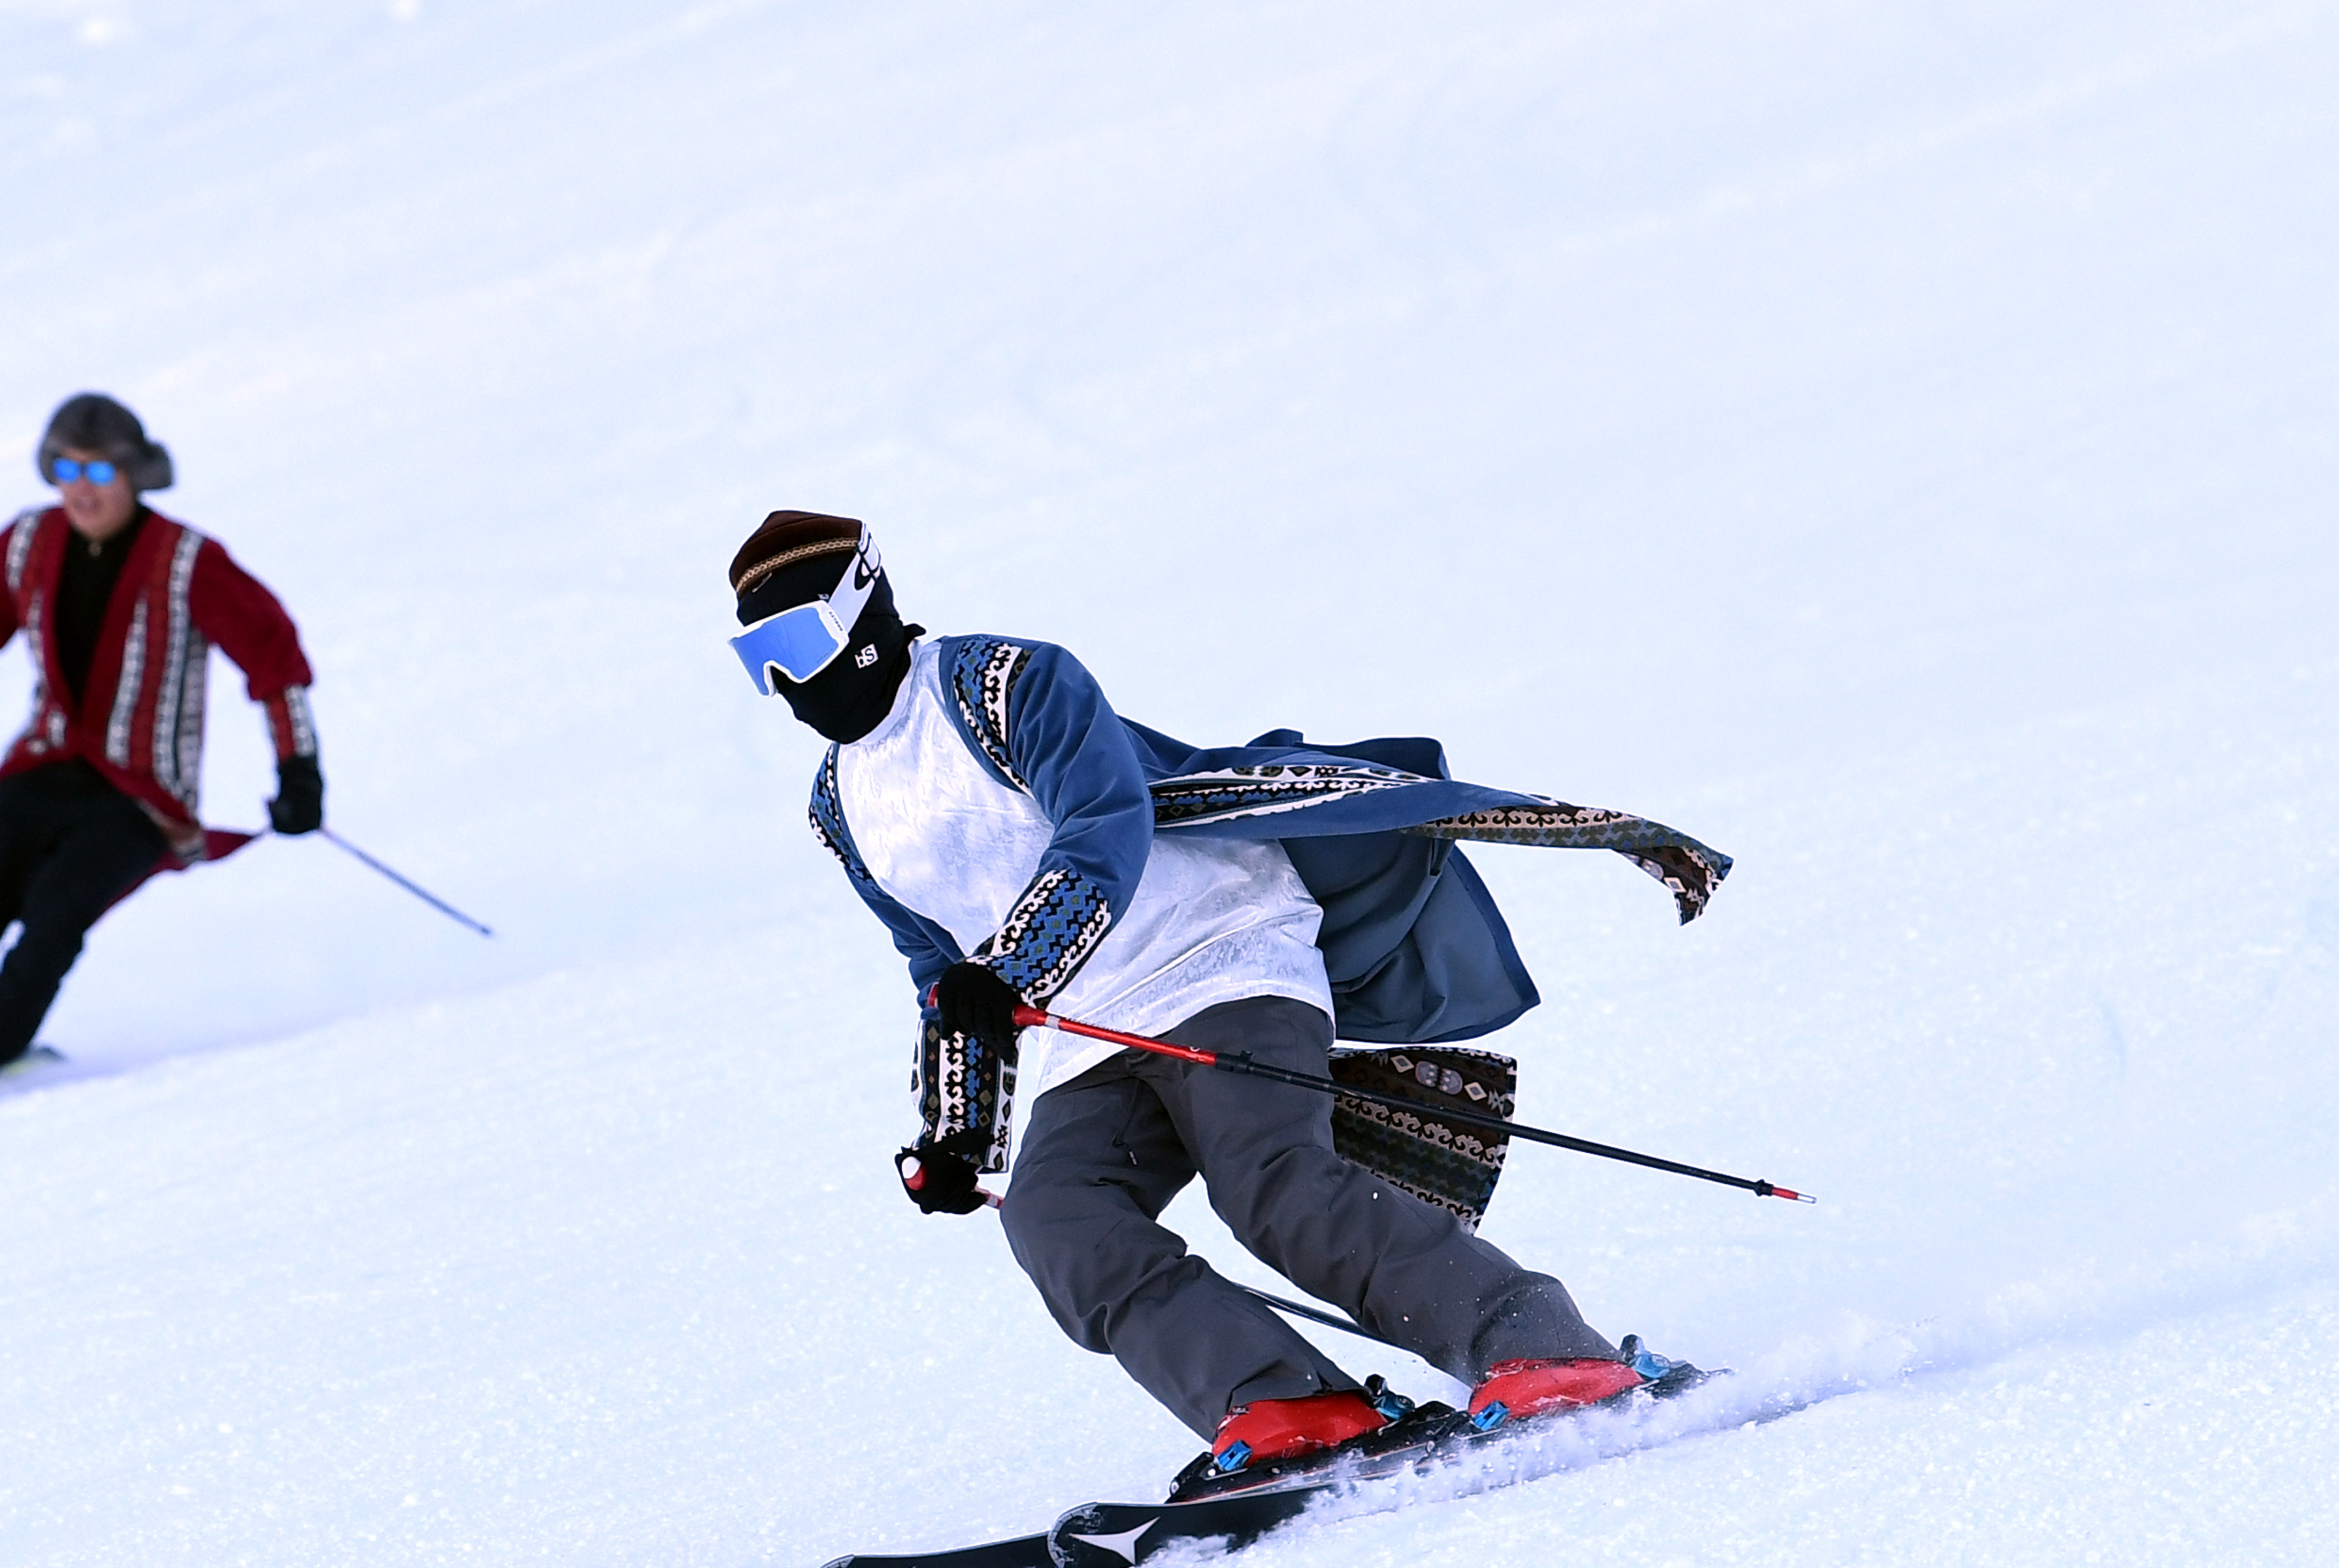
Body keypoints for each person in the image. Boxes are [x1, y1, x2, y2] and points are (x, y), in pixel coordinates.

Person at [728, 509, 1736, 1473]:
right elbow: (938, 968)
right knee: (1056, 1219)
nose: (784, 680)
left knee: (1271, 1183)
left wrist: (1008, 972)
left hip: (1222, 951)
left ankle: (1543, 1350)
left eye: (796, 641)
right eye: (754, 660)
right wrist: (958, 1135)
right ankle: (1291, 1403)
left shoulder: (1003, 683)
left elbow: (1105, 824)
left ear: (862, 609)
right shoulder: (839, 805)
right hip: (1095, 1029)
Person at [0, 393, 326, 1106]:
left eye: (100, 471)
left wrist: (299, 771)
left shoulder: (188, 562)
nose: (81, 489)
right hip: (43, 769)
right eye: (64, 469)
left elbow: (274, 659)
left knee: (55, 918)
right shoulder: (29, 544)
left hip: (140, 798)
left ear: (135, 474)